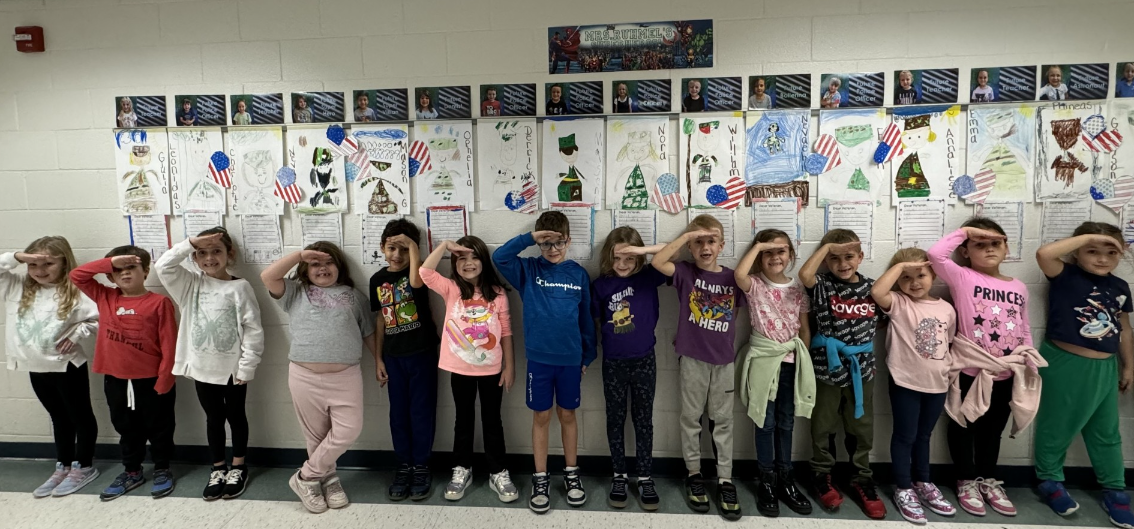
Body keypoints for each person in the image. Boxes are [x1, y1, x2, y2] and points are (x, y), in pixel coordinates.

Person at [492, 211, 596, 515]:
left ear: (568, 240)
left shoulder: (578, 274)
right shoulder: (527, 270)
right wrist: (529, 239)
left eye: (558, 242)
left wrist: (587, 354)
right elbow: (499, 258)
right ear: (538, 244)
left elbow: (587, 318)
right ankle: (540, 478)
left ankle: (572, 474)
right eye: (546, 243)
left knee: (567, 413)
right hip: (539, 360)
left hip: (570, 361)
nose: (553, 249)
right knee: (541, 417)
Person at [260, 242, 376, 514]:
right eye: (315, 264)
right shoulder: (295, 292)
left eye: (329, 263)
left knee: (348, 430)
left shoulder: (354, 296)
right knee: (316, 437)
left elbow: (368, 332)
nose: (323, 268)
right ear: (305, 269)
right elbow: (268, 277)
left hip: (346, 375)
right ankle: (329, 480)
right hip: (304, 375)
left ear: (339, 267)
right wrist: (300, 255)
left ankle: (305, 476)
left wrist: (380, 360)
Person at [927, 218, 1032, 518]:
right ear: (965, 251)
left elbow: (1024, 327)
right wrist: (965, 232)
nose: (988, 249)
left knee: (993, 429)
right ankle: (965, 479)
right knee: (963, 425)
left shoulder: (1019, 286)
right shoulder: (963, 277)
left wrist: (1028, 359)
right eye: (979, 244)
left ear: (1006, 247)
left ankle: (988, 479)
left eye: (995, 243)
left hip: (1006, 371)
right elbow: (936, 255)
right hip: (971, 369)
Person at [1033, 223, 1134, 528]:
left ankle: (1115, 489)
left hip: (1105, 366)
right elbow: (1043, 253)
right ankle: (1049, 480)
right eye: (1093, 250)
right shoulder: (1065, 274)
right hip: (1066, 361)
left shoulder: (1120, 287)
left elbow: (1125, 329)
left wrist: (1128, 365)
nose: (1102, 258)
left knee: (1106, 430)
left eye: (1111, 252)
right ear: (1077, 251)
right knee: (1058, 424)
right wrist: (1089, 236)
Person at [154, 228, 263, 501]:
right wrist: (190, 243)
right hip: (201, 367)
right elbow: (162, 265)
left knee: (236, 417)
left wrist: (247, 366)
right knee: (213, 419)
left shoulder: (240, 287)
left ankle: (238, 466)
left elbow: (253, 329)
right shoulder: (189, 284)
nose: (210, 258)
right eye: (202, 253)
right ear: (194, 257)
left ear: (230, 255)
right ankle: (218, 468)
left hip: (232, 370)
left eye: (216, 251)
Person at [651, 214, 745, 521]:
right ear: (691, 247)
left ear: (722, 245)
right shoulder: (685, 273)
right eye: (699, 242)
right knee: (691, 418)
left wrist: (701, 233)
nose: (705, 247)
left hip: (723, 361)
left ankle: (725, 479)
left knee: (723, 421)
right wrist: (688, 234)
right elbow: (658, 262)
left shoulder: (734, 278)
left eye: (711, 240)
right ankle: (693, 474)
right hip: (692, 358)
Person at [70, 246, 178, 501]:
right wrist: (111, 261)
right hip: (116, 380)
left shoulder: (159, 303)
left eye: (132, 267)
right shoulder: (106, 297)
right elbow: (77, 275)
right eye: (119, 270)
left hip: (152, 380)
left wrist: (165, 379)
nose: (125, 273)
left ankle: (162, 469)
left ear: (146, 271)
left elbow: (169, 343)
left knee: (160, 427)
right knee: (126, 427)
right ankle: (132, 471)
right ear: (110, 275)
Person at [421, 236, 517, 503]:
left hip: (492, 369)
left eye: (474, 257)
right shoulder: (451, 289)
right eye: (461, 258)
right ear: (454, 263)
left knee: (492, 421)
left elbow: (507, 331)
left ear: (484, 261)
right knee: (462, 421)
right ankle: (462, 468)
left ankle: (498, 471)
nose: (468, 263)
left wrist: (510, 366)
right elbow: (425, 272)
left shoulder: (497, 294)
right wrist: (445, 246)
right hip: (459, 368)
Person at [2, 237, 99, 498]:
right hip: (35, 365)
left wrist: (78, 333)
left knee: (80, 417)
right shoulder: (17, 286)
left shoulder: (77, 289)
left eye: (48, 263)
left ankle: (84, 466)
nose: (40, 270)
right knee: (58, 417)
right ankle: (63, 465)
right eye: (33, 264)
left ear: (64, 262)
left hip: (66, 366)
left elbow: (101, 318)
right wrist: (17, 257)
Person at [798, 229, 885, 519]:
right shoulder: (822, 284)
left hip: (863, 371)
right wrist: (827, 249)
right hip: (826, 370)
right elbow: (805, 274)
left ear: (860, 257)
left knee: (860, 427)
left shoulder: (873, 289)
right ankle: (822, 475)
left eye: (849, 256)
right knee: (823, 425)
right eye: (834, 258)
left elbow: (882, 322)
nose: (842, 263)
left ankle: (861, 477)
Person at [871, 248, 957, 524]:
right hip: (905, 382)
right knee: (905, 436)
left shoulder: (946, 308)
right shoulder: (897, 302)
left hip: (937, 383)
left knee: (924, 436)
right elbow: (877, 291)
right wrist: (900, 267)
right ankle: (904, 487)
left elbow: (949, 341)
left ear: (933, 274)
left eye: (920, 274)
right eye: (906, 277)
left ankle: (924, 482)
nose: (914, 282)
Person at [735, 230, 814, 518]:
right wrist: (758, 246)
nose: (775, 256)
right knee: (764, 421)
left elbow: (804, 329)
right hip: (763, 362)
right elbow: (739, 275)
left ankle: (785, 477)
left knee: (786, 421)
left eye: (781, 251)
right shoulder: (754, 284)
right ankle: (766, 479)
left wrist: (801, 361)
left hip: (791, 362)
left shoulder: (797, 289)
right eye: (769, 252)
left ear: (791, 255)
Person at [592, 227, 667, 512]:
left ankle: (645, 476)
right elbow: (597, 323)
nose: (622, 264)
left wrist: (641, 252)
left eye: (629, 258)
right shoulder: (600, 285)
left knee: (643, 420)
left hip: (645, 359)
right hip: (613, 362)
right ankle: (619, 476)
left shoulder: (650, 276)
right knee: (615, 419)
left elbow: (673, 252)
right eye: (617, 258)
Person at [370, 219, 439, 502]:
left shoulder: (419, 274)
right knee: (398, 415)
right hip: (394, 357)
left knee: (421, 413)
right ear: (382, 248)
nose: (396, 255)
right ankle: (404, 466)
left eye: (404, 249)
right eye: (391, 248)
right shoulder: (376, 280)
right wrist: (378, 359)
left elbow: (416, 282)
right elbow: (380, 322)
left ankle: (421, 465)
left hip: (421, 354)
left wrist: (414, 248)